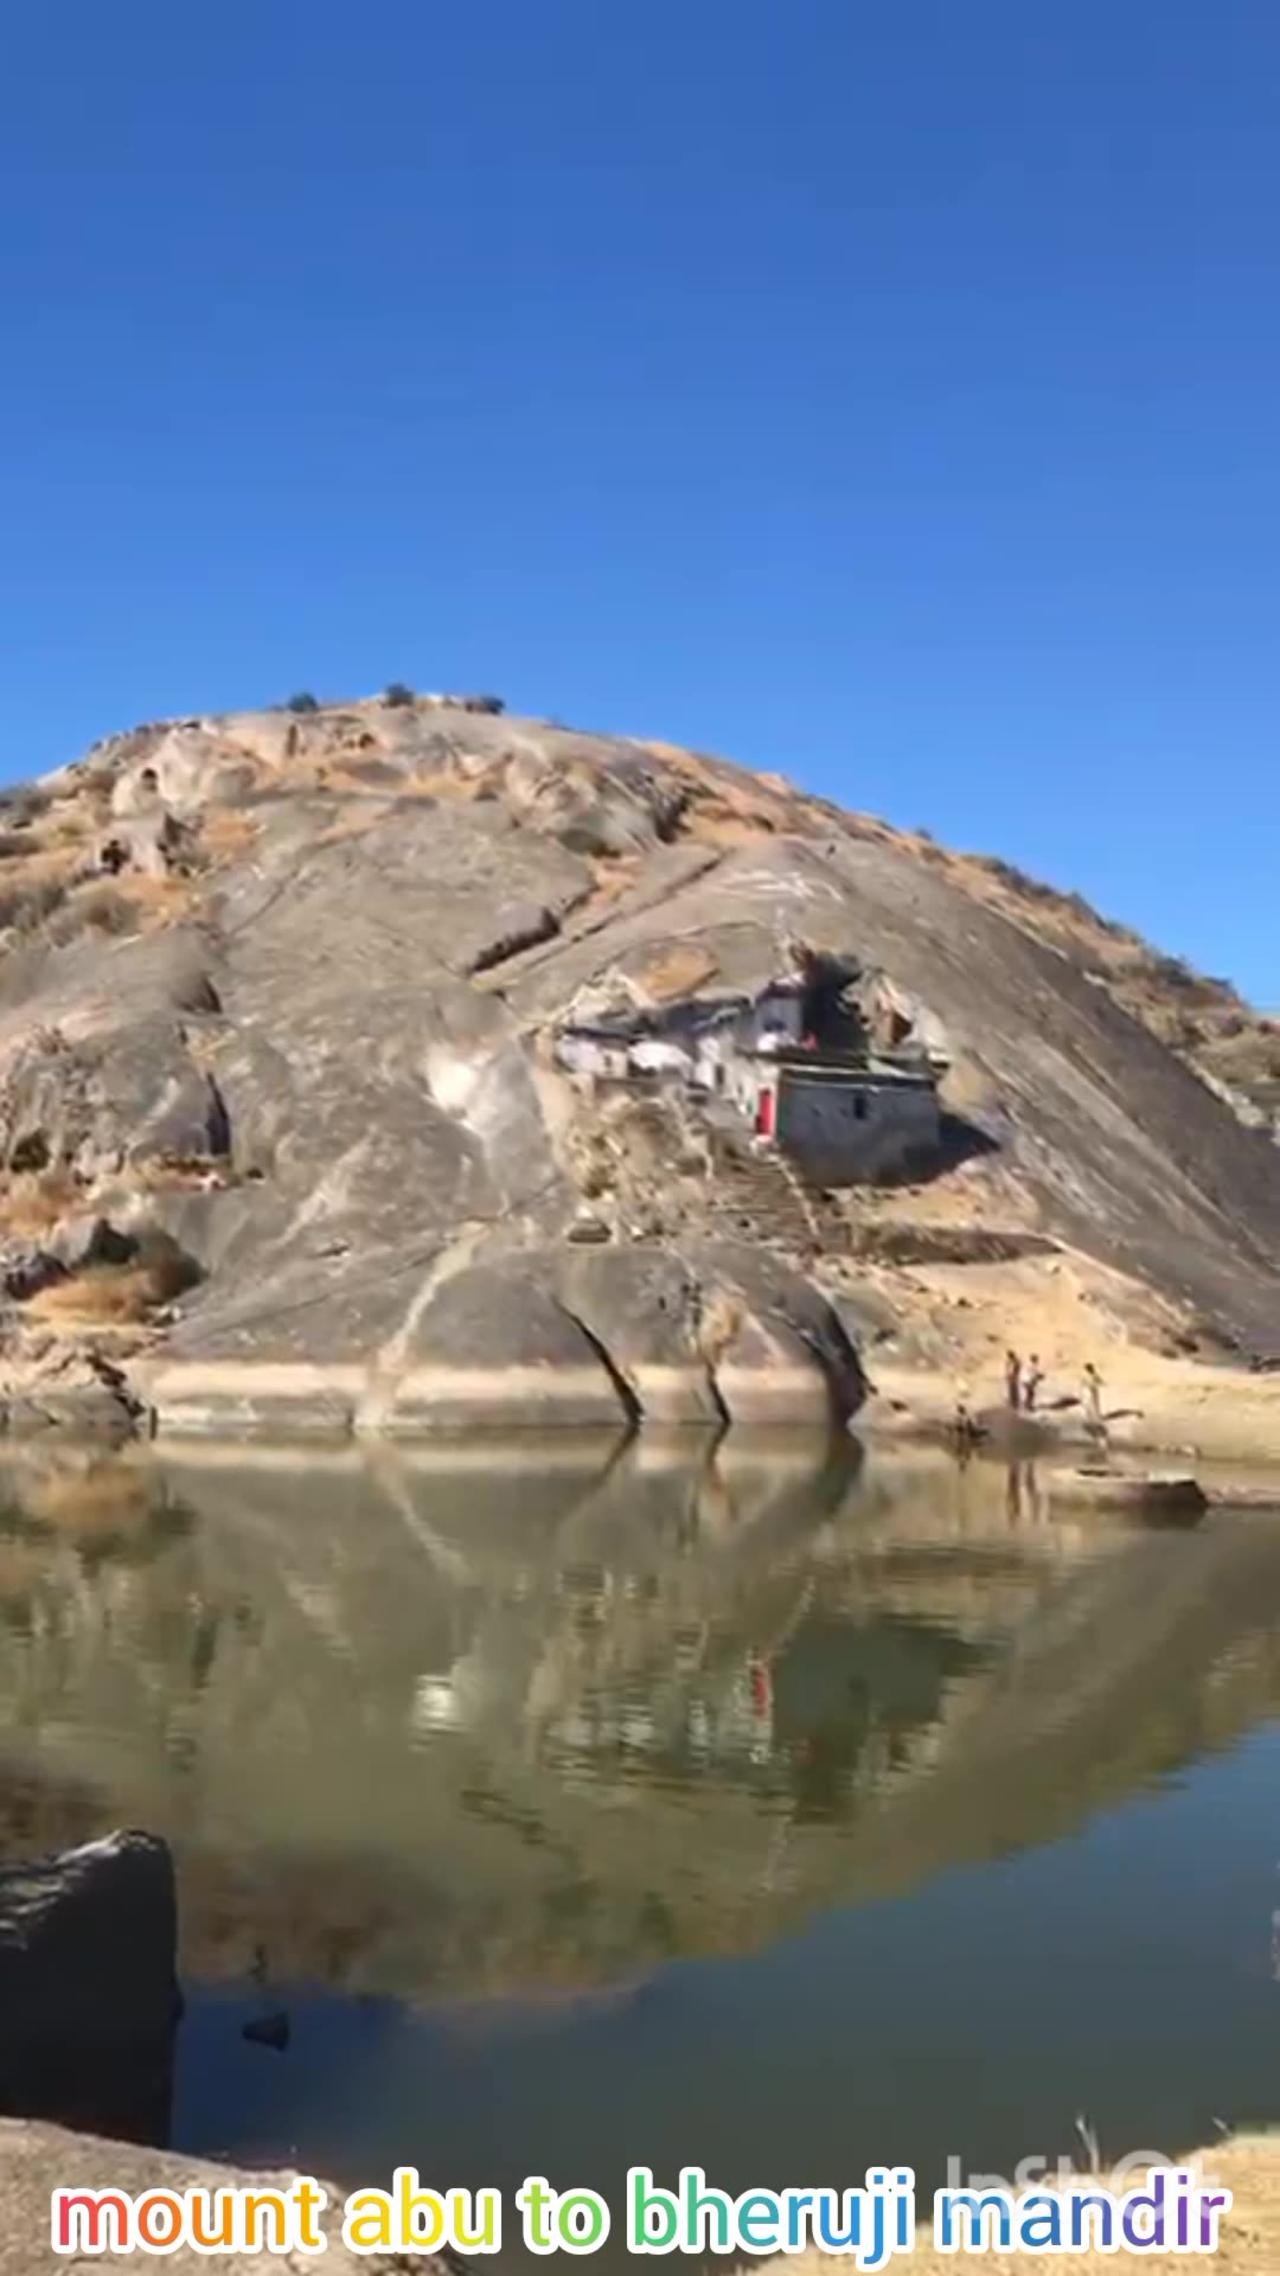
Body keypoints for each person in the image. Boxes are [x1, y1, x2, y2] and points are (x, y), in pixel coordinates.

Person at [1083, 1362, 1104, 1429]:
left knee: (1093, 1405)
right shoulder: (1091, 1375)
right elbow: (1100, 1381)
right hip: (1090, 1391)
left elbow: (1100, 1381)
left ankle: (1095, 1420)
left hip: (1092, 1391)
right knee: (1092, 1405)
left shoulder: (1093, 1375)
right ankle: (1093, 1420)